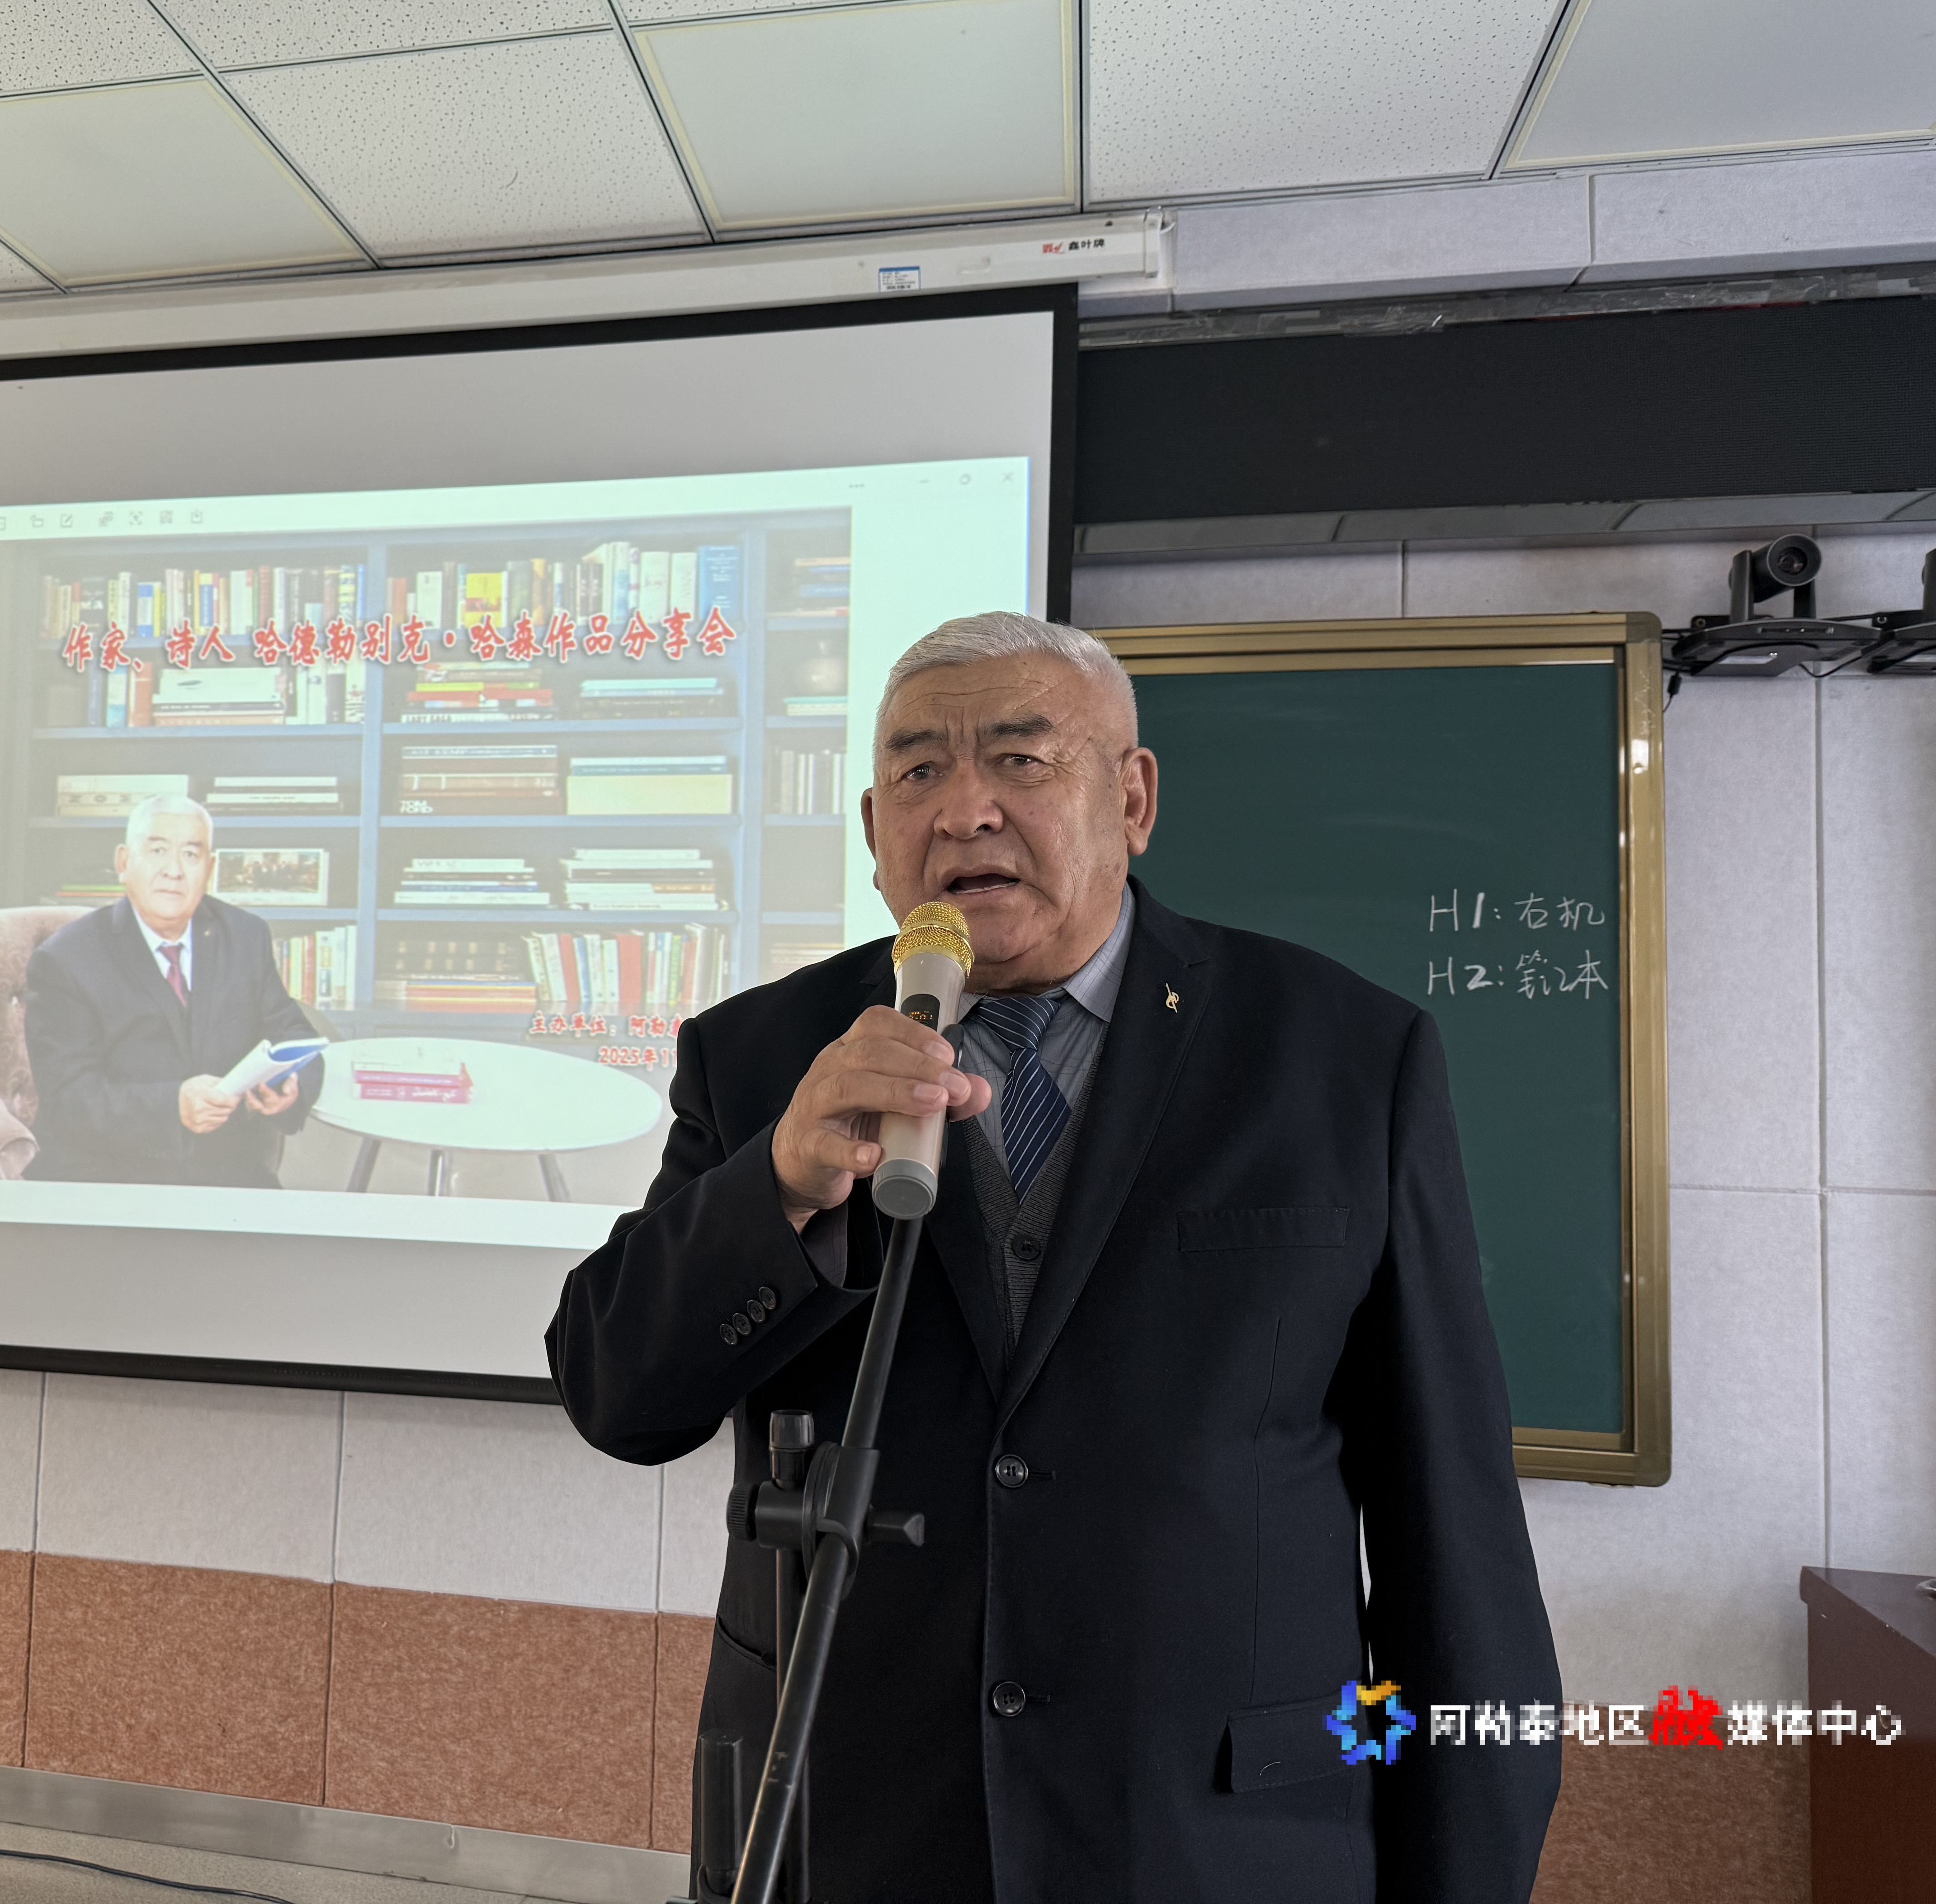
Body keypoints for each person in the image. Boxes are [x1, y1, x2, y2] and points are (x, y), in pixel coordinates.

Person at [548, 613, 1559, 1903]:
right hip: (849, 1831)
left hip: (1223, 1842)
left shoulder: (1343, 1058)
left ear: (1133, 799)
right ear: (873, 829)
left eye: (1021, 760)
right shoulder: (762, 1058)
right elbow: (617, 1395)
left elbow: (1451, 1538)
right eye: (919, 770)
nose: (965, 810)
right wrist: (779, 1185)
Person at [23, 795, 321, 1186]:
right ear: (124, 863)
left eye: (191, 855)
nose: (174, 871)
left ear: (210, 869)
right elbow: (68, 1098)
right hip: (104, 1173)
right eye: (158, 851)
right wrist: (172, 1107)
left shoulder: (245, 936)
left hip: (223, 1170)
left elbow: (296, 1037)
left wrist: (290, 1089)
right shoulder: (65, 959)